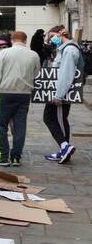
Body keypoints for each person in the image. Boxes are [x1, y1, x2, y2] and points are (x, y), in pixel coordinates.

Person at [0, 30, 41, 165]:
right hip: (24, 94)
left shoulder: (4, 53)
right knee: (20, 126)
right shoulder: (34, 55)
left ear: (12, 40)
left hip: (5, 93)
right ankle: (16, 157)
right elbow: (36, 73)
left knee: (0, 125)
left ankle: (3, 157)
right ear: (25, 40)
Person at [42, 25, 82, 163]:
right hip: (58, 90)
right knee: (56, 118)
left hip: (61, 92)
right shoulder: (63, 49)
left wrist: (59, 94)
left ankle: (65, 147)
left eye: (52, 35)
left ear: (60, 34)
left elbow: (66, 73)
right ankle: (64, 149)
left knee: (54, 118)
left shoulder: (69, 50)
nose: (51, 39)